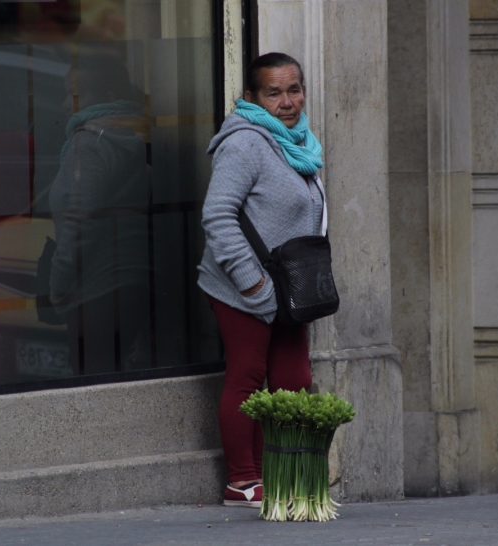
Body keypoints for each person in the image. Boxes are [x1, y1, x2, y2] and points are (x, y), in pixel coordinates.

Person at [197, 52, 326, 508]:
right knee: (248, 377)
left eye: (294, 90)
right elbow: (217, 215)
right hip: (242, 287)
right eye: (274, 93)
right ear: (251, 97)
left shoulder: (299, 143)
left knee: (295, 378)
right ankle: (242, 481)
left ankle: (284, 475)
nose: (287, 102)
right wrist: (253, 284)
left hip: (290, 289)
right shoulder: (245, 143)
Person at [49, 50, 151, 374]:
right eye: (67, 93)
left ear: (107, 96)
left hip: (97, 292)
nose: (68, 104)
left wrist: (58, 281)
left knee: (90, 392)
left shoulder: (90, 142)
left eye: (77, 95)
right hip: (127, 287)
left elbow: (82, 218)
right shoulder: (126, 135)